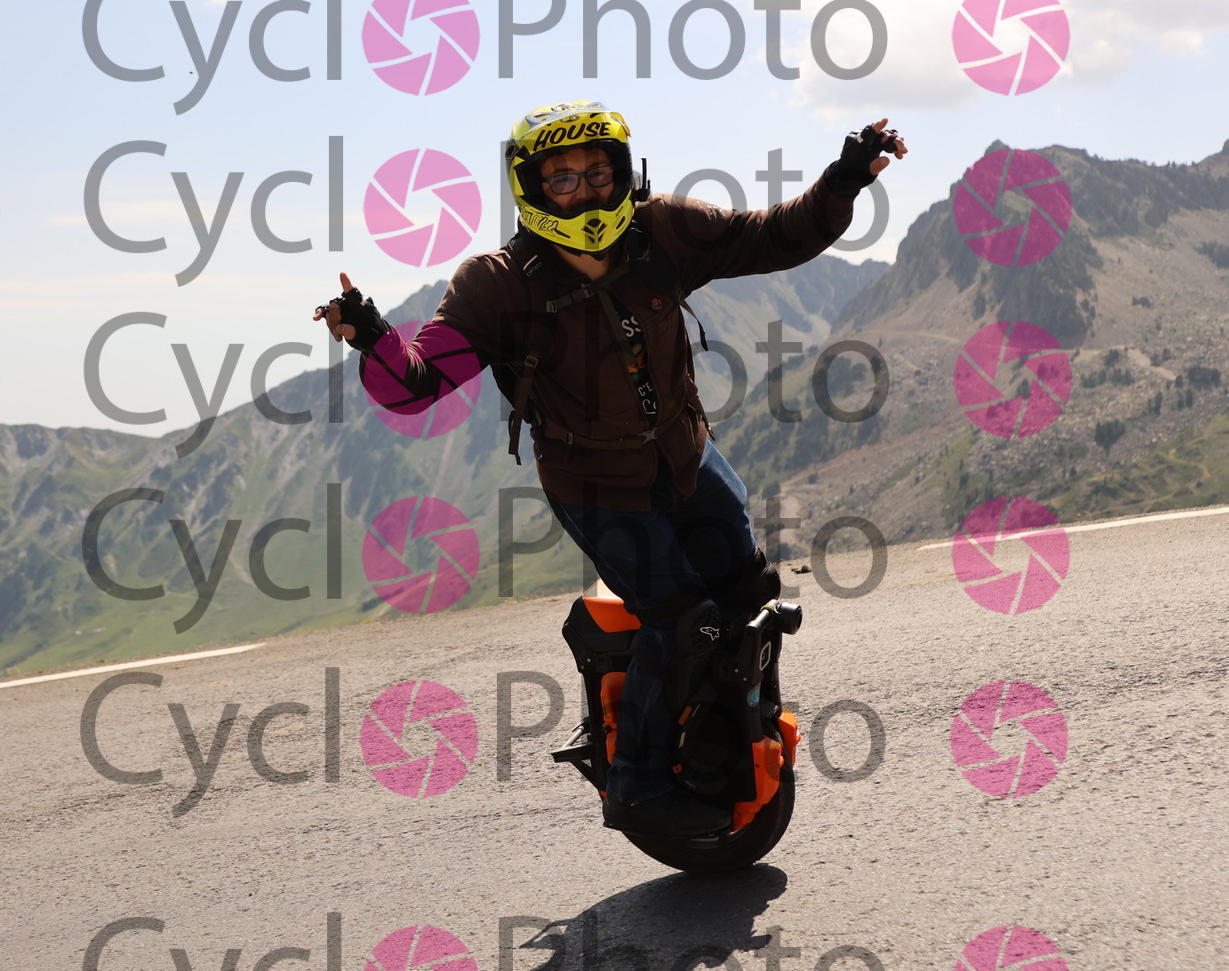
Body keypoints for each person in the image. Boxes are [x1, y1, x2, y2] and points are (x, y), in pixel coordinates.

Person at [317, 101, 905, 836]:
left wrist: (843, 180)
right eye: (562, 178)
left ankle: (741, 721)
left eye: (598, 172)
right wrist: (372, 335)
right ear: (531, 187)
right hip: (596, 487)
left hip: (687, 452)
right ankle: (637, 786)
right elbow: (417, 383)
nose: (586, 191)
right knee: (682, 620)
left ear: (623, 172)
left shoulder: (661, 229)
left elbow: (773, 235)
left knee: (752, 592)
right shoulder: (498, 285)